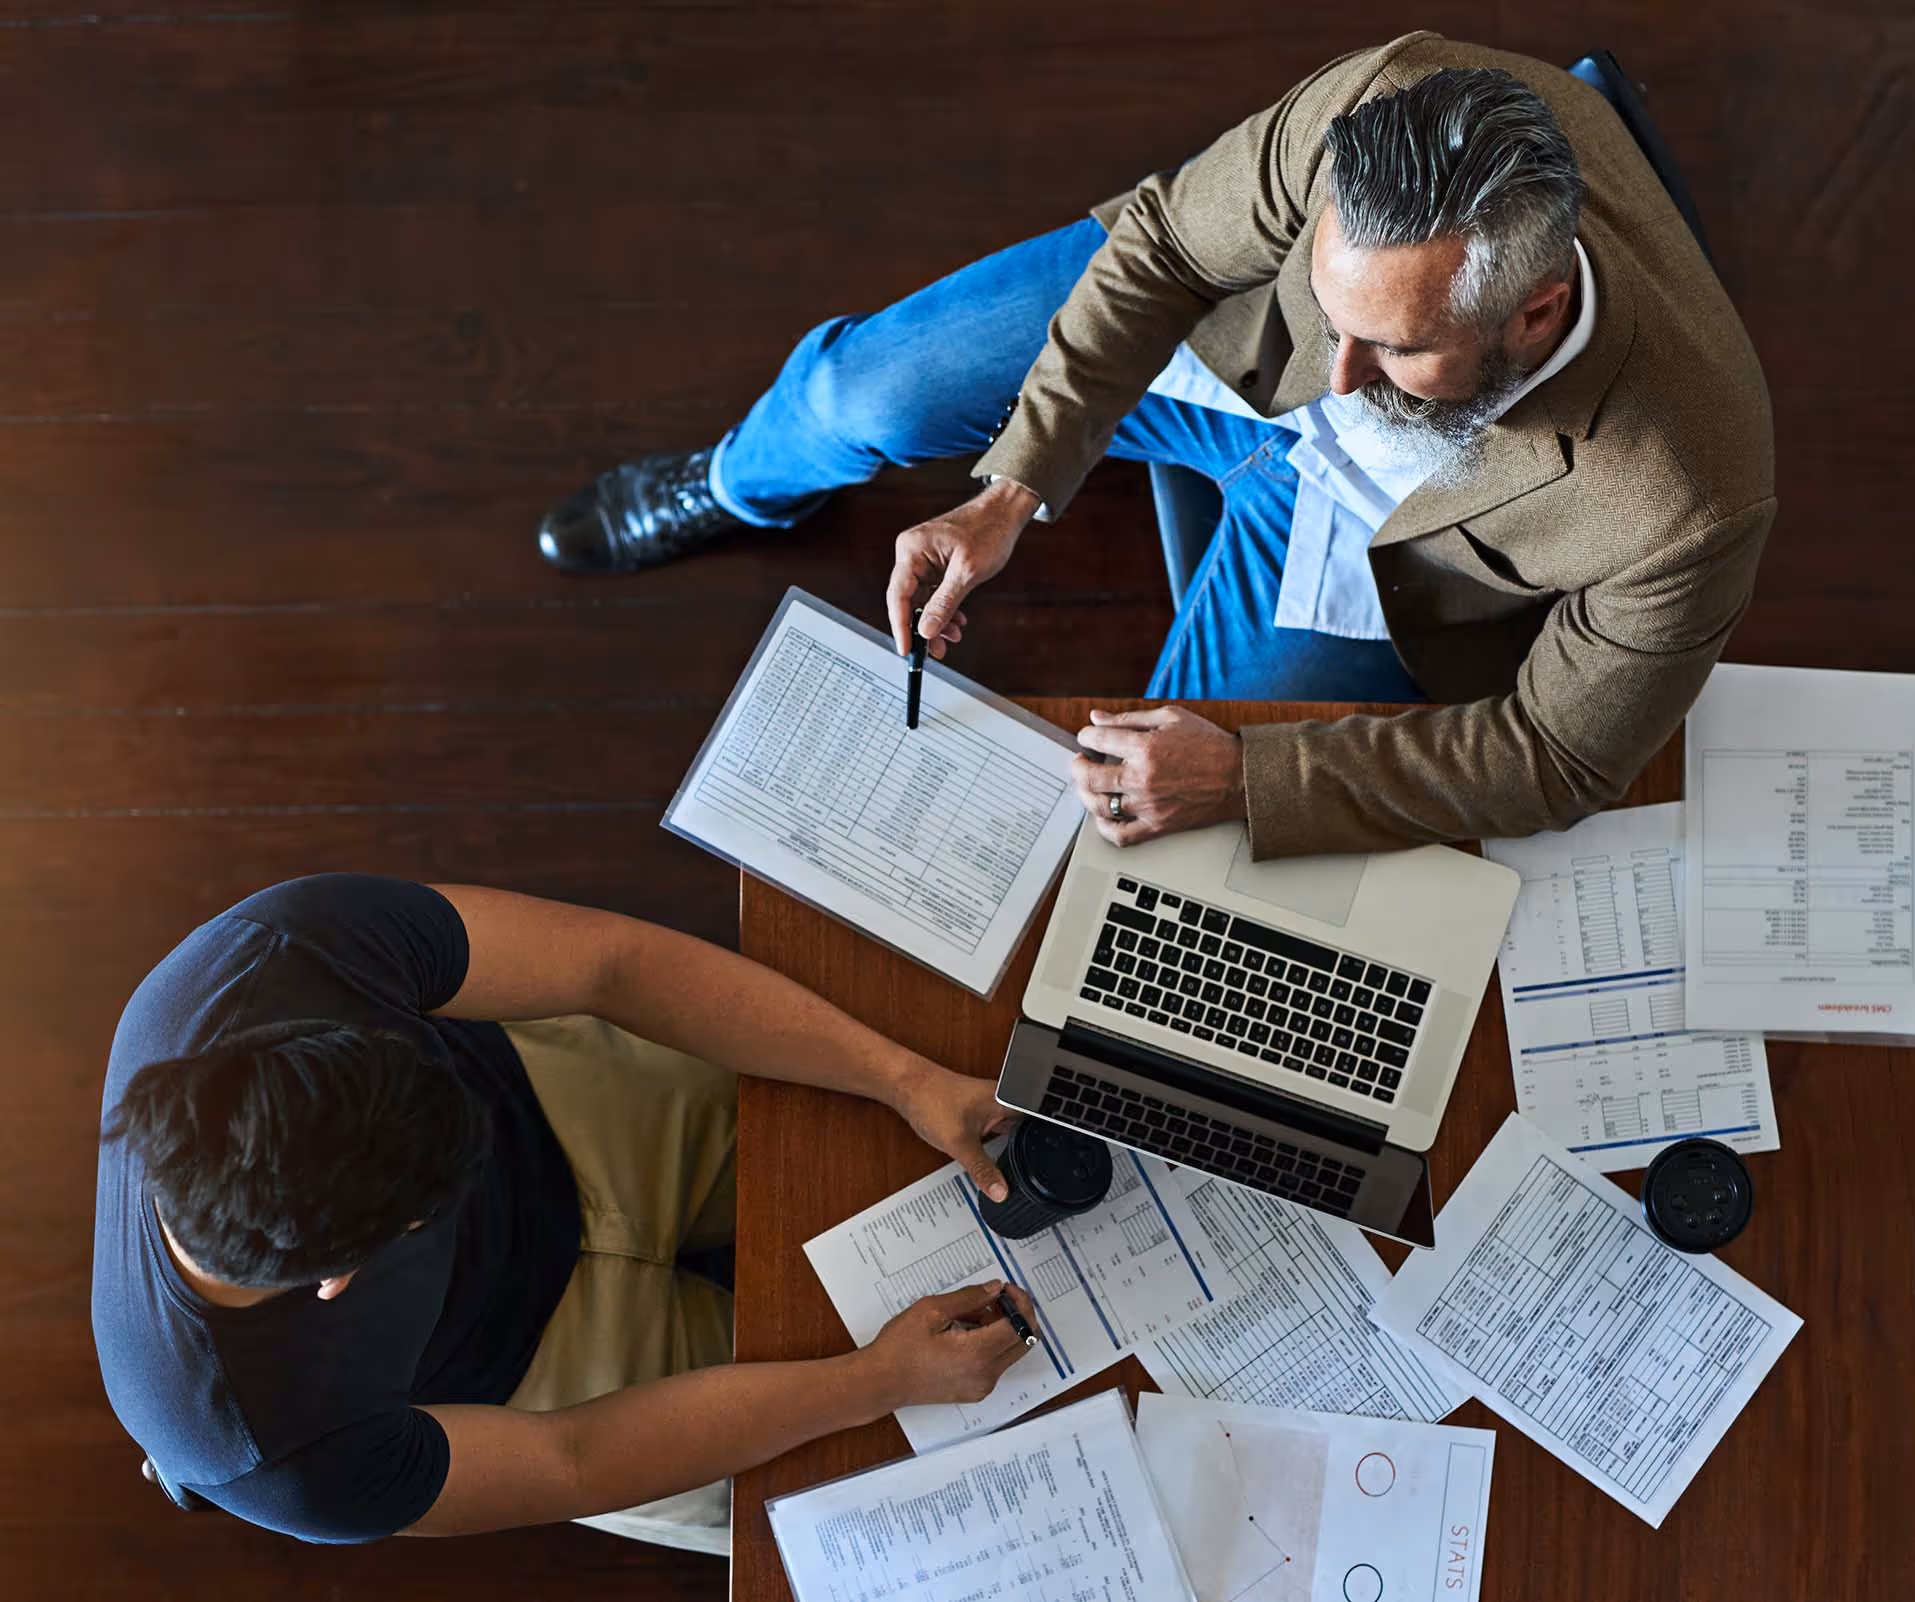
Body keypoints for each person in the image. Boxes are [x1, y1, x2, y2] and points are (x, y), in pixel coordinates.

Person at [536, 34, 1773, 859]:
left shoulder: (1688, 500)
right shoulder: (1382, 104)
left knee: (1156, 783)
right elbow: (1175, 250)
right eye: (1332, 312)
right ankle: (739, 484)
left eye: (1391, 353)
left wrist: (1244, 782)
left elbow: (1557, 756)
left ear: (1537, 315)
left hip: (1381, 552)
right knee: (870, 394)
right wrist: (1016, 483)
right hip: (1220, 363)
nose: (1333, 386)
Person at [92, 873, 1037, 1550]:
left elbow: (609, 967)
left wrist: (903, 1080)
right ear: (342, 1275)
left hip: (544, 1099)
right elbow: (573, 1459)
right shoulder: (273, 1458)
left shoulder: (269, 954)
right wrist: (874, 1382)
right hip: (527, 1377)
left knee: (858, 1105)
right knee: (871, 1485)